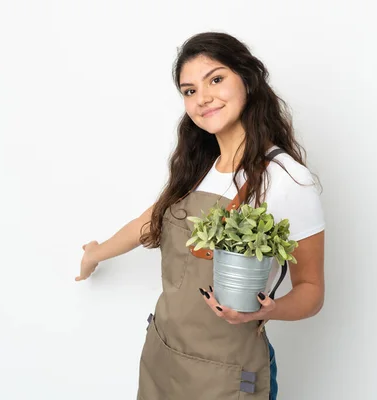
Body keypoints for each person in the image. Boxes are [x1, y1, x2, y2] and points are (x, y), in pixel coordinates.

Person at [76, 32, 325, 400]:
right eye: (189, 90)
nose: (203, 97)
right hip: (165, 358)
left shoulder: (287, 180)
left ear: (248, 80)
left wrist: (261, 312)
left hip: (227, 373)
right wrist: (95, 253)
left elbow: (312, 291)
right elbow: (150, 221)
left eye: (216, 79)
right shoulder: (197, 166)